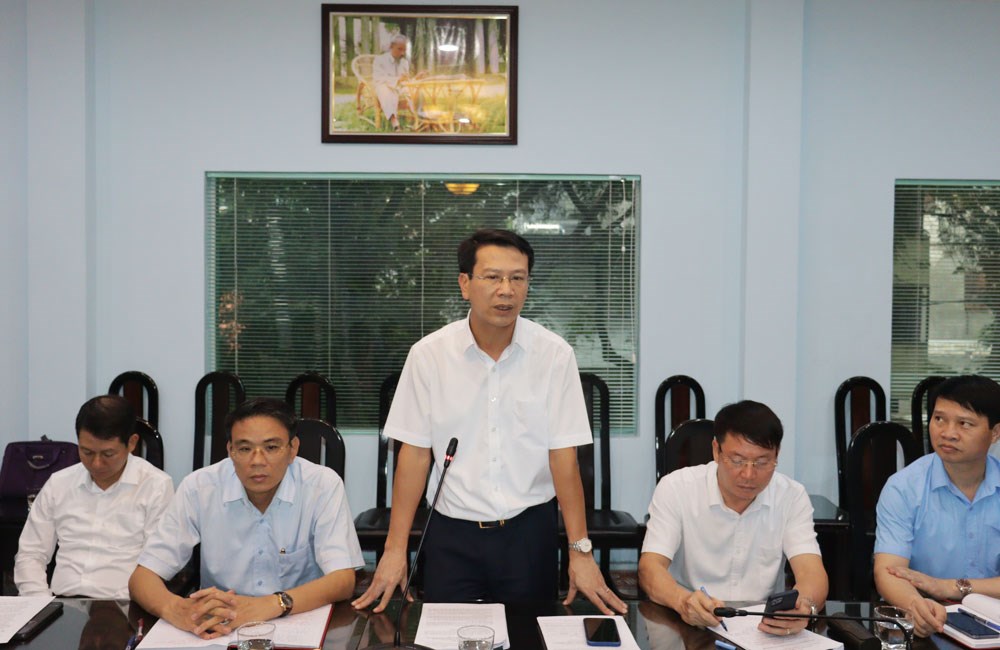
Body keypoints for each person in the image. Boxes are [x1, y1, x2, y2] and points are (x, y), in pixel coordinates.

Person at [352, 228, 626, 614]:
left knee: (529, 634)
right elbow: (413, 457)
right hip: (451, 533)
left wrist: (580, 552)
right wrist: (395, 550)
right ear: (465, 284)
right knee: (445, 635)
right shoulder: (429, 356)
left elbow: (563, 459)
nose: (506, 290)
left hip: (529, 532)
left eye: (518, 278)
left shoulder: (554, 355)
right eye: (493, 277)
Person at [129, 397, 363, 640]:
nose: (257, 461)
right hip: (219, 629)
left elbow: (343, 580)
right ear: (230, 450)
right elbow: (142, 578)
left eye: (271, 448)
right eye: (244, 449)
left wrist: (271, 604)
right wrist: (176, 609)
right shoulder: (199, 488)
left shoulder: (322, 486)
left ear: (293, 449)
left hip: (299, 622)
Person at [638, 400, 828, 636]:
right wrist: (682, 601)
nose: (748, 474)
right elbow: (650, 568)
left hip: (762, 627)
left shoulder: (791, 496)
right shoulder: (676, 488)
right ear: (716, 450)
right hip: (688, 620)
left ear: (777, 455)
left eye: (762, 462)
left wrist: (805, 606)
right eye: (737, 461)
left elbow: (811, 572)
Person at [874, 374, 1000, 638]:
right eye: (939, 419)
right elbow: (888, 570)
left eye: (964, 423)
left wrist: (949, 587)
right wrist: (916, 606)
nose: (947, 433)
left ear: (995, 432)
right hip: (930, 616)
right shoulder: (903, 488)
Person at [14, 395, 173, 599]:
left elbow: (156, 563)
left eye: (108, 454)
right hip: (61, 602)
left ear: (132, 443)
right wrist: (40, 603)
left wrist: (121, 605)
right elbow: (30, 554)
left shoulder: (156, 486)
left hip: (125, 603)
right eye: (87, 452)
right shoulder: (59, 483)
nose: (96, 464)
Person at [372, 34, 414, 131]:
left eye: (404, 50)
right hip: (384, 87)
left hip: (400, 88)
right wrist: (397, 79)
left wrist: (412, 78)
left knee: (416, 89)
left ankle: (419, 117)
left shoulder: (404, 62)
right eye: (399, 49)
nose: (402, 53)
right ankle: (394, 121)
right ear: (391, 46)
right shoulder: (380, 60)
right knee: (384, 89)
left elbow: (406, 80)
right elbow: (378, 78)